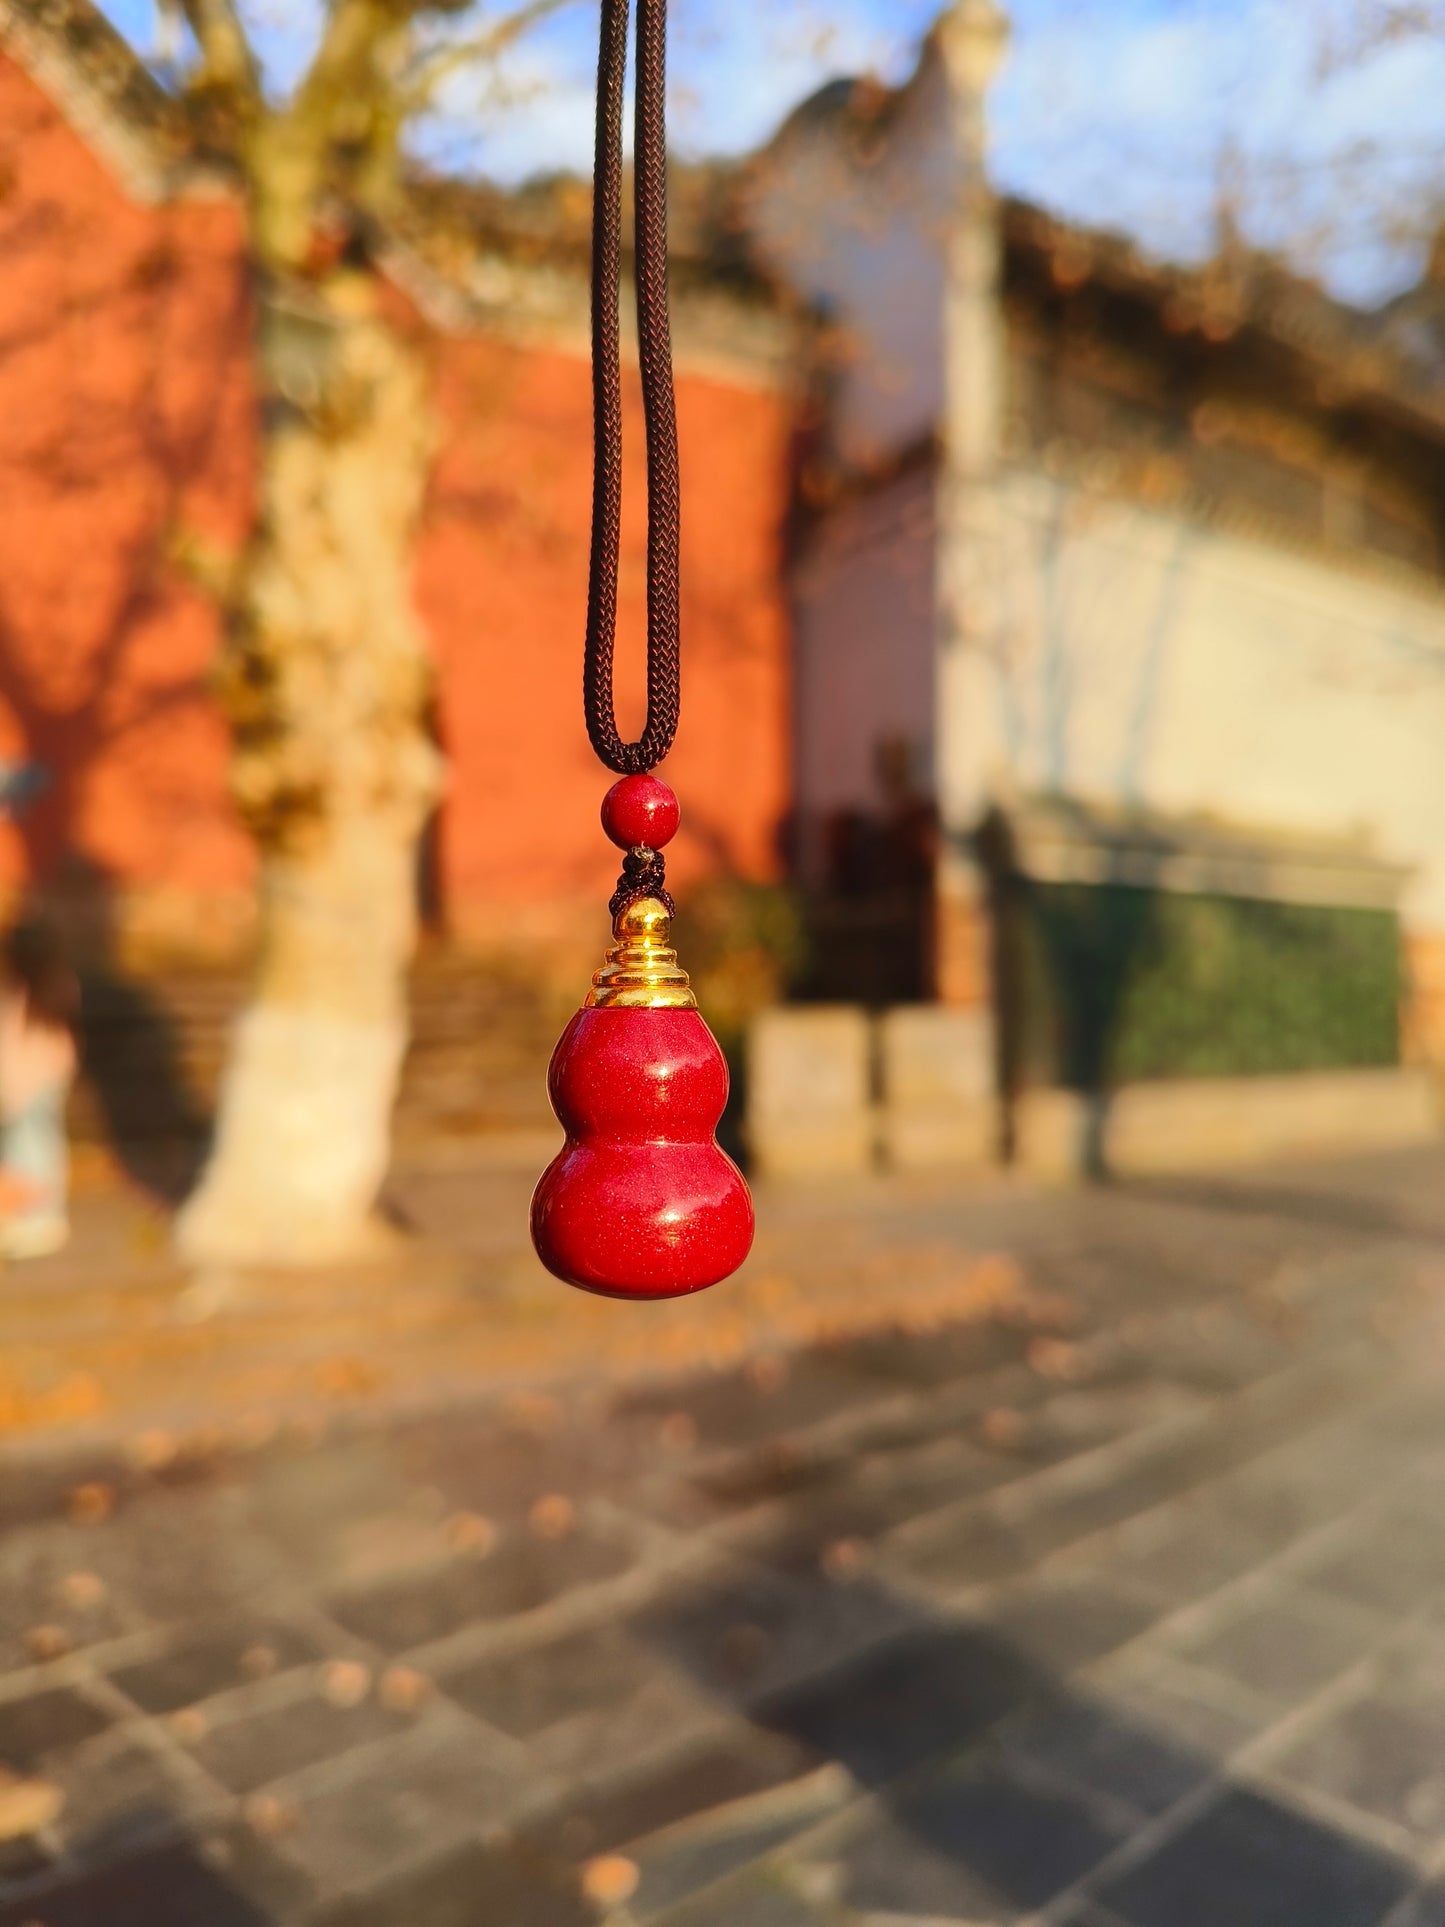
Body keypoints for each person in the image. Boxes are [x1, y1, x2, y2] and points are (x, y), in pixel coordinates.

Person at [0, 922, 79, 1259]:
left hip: (22, 1087)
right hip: (47, 1081)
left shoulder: (15, 996)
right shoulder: (59, 988)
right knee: (39, 1150)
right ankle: (39, 1217)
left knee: (25, 1154)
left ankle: (36, 1220)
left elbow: (10, 1046)